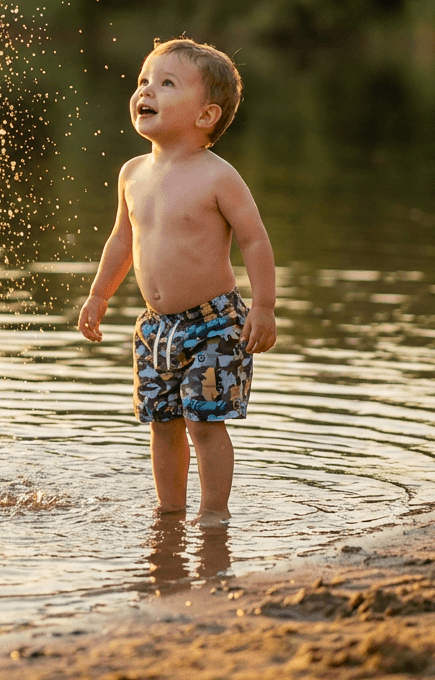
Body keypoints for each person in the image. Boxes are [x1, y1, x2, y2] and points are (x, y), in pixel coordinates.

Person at [77, 37, 276, 526]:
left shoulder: (216, 176)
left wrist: (265, 307)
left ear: (205, 116)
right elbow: (122, 243)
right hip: (155, 329)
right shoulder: (132, 173)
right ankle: (169, 513)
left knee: (203, 423)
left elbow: (254, 240)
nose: (147, 90)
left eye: (167, 83)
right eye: (145, 80)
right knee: (162, 423)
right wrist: (99, 294)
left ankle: (213, 515)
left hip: (214, 323)